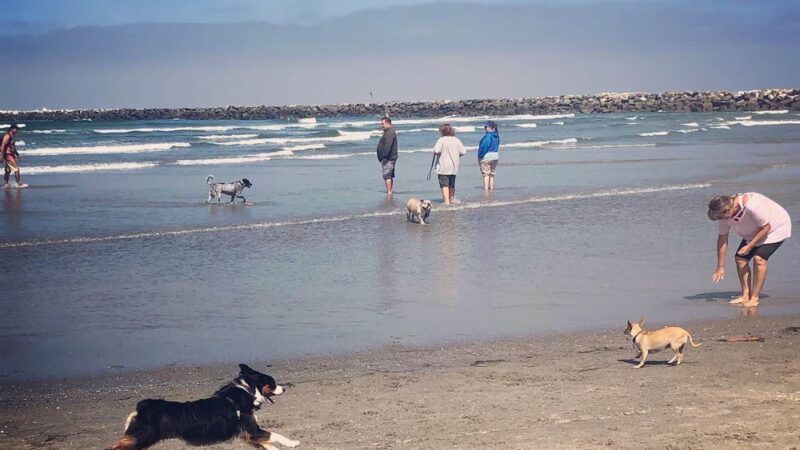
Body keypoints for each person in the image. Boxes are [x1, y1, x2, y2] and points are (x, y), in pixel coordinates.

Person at [708, 193, 791, 307]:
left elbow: (766, 227)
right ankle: (745, 294)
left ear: (727, 210)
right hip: (754, 231)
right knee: (740, 259)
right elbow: (722, 238)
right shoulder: (723, 215)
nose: (721, 220)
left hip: (776, 228)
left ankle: (755, 298)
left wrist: (750, 246)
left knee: (759, 259)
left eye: (721, 217)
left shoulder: (751, 206)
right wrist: (720, 267)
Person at [433, 124, 466, 205]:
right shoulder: (456, 140)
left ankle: (447, 202)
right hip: (454, 166)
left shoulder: (441, 140)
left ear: (442, 132)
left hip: (443, 166)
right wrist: (456, 156)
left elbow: (436, 150)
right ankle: (451, 199)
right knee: (451, 184)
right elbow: (463, 152)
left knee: (444, 184)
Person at [376, 116, 398, 195]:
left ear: (388, 123)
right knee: (389, 175)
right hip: (389, 157)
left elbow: (388, 145)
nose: (381, 125)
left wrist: (384, 156)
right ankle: (389, 191)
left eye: (383, 124)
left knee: (387, 175)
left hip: (389, 158)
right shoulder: (388, 131)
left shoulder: (390, 132)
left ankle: (389, 192)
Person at [2, 124, 26, 189]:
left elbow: (13, 147)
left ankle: (5, 185)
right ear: (12, 129)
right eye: (16, 129)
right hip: (8, 155)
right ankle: (19, 184)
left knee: (8, 170)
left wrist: (17, 154)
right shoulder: (7, 135)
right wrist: (1, 155)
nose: (17, 131)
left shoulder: (12, 137)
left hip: (10, 154)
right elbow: (3, 144)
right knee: (16, 169)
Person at [477, 120, 500, 190]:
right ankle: (491, 187)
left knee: (486, 174)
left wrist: (480, 155)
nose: (485, 129)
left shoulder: (488, 136)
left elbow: (484, 146)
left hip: (487, 156)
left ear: (491, 127)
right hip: (495, 155)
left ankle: (486, 188)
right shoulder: (496, 136)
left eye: (486, 127)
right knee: (492, 174)